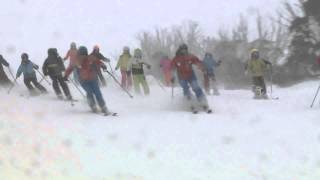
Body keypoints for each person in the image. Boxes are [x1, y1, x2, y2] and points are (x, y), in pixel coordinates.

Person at [64, 46, 111, 114]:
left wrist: (103, 66)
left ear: (86, 54)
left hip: (93, 79)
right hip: (83, 81)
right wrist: (65, 76)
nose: (83, 56)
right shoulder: (76, 61)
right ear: (79, 54)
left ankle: (103, 106)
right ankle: (93, 106)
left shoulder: (90, 58)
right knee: (90, 92)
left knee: (98, 93)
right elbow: (70, 68)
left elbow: (98, 61)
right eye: (81, 54)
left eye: (84, 54)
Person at [171, 44, 211, 113]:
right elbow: (172, 68)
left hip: (191, 75)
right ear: (180, 50)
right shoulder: (176, 58)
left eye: (185, 49)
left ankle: (203, 102)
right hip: (182, 77)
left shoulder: (190, 56)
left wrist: (203, 69)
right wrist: (172, 76)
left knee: (196, 87)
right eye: (182, 49)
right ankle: (190, 103)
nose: (184, 51)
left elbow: (197, 62)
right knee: (185, 88)